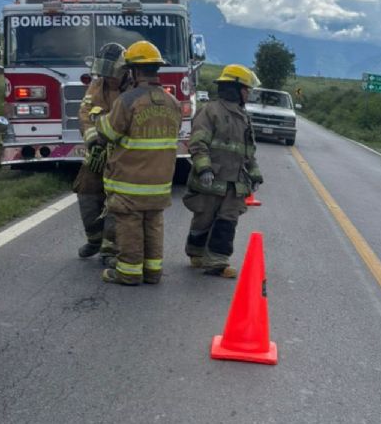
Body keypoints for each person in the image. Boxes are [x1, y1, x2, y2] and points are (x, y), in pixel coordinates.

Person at [96, 41, 181, 285]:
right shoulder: (172, 103)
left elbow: (109, 134)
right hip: (161, 182)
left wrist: (98, 119)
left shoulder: (127, 100)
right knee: (154, 224)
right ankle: (153, 272)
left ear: (133, 71)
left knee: (130, 224)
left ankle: (128, 273)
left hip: (130, 181)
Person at [183, 64, 264, 278]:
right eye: (246, 89)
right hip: (212, 180)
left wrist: (254, 174)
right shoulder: (210, 111)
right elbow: (198, 143)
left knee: (227, 222)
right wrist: (204, 168)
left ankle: (217, 262)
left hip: (234, 184)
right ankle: (196, 252)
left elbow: (248, 151)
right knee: (203, 220)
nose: (249, 93)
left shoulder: (243, 116)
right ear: (234, 88)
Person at [75, 42, 127, 261]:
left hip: (123, 157)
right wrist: (91, 138)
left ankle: (110, 248)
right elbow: (85, 112)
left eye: (111, 71)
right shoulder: (97, 85)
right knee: (86, 191)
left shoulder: (133, 89)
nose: (107, 77)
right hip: (97, 153)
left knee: (117, 201)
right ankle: (94, 239)